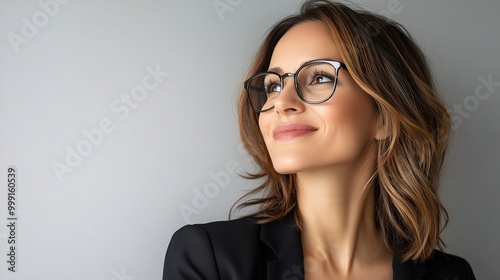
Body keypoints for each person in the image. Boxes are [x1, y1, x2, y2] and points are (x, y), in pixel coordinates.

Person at [163, 0, 476, 279]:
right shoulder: (210, 258)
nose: (282, 102)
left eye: (320, 77)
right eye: (272, 85)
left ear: (384, 116)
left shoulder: (451, 274)